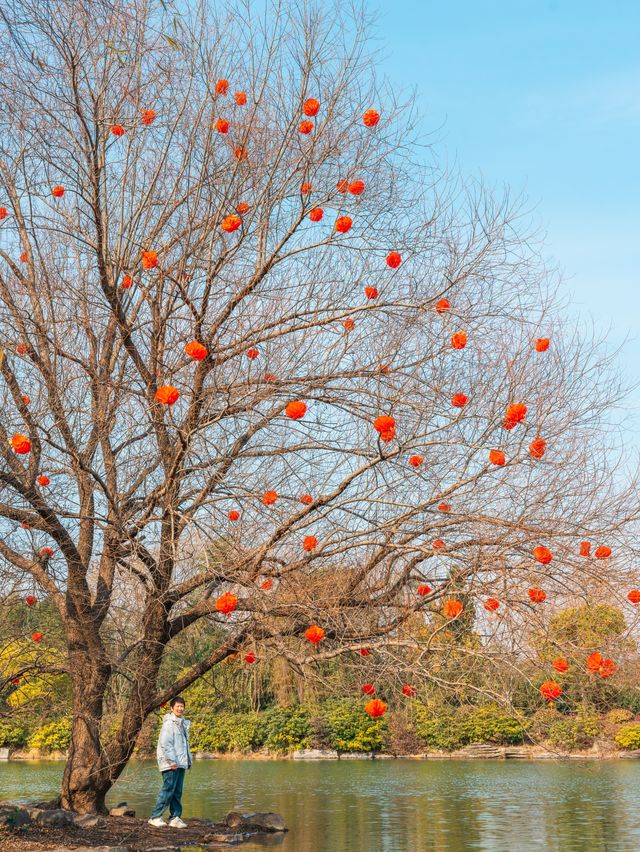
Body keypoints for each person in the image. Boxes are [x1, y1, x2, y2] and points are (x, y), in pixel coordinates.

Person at [148, 696, 192, 828]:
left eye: (182, 706)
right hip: (170, 763)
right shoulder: (169, 724)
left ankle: (175, 818)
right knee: (168, 789)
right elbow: (166, 744)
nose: (180, 708)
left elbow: (184, 745)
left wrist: (187, 761)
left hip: (180, 763)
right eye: (177, 706)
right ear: (172, 708)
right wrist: (172, 761)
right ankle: (155, 817)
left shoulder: (183, 724)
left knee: (177, 792)